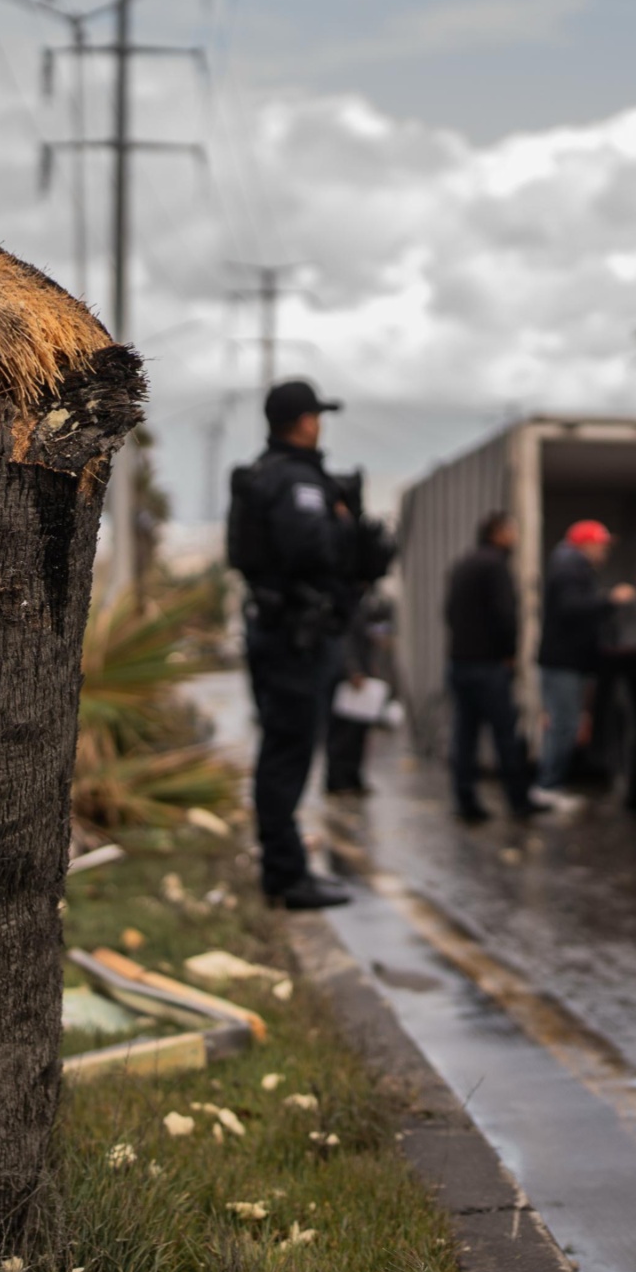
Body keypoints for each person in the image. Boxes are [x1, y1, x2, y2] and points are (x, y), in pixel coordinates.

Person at [230, 379, 357, 909]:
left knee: (284, 750)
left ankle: (286, 868)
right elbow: (310, 551)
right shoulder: (296, 479)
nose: (319, 424)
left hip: (279, 630)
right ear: (303, 421)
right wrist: (352, 535)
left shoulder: (265, 473)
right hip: (295, 638)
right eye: (316, 416)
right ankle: (286, 876)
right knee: (288, 753)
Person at [443, 511, 537, 823]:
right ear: (497, 533)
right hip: (488, 665)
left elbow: (448, 612)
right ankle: (519, 801)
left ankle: (466, 801)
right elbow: (506, 615)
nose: (516, 536)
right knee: (505, 735)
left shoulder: (463, 564)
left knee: (464, 735)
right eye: (512, 530)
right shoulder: (496, 565)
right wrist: (509, 653)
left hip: (459, 662)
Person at [536, 519, 636, 796]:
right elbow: (571, 609)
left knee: (564, 725)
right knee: (564, 726)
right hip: (563, 662)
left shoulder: (570, 566)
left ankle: (550, 785)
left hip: (566, 661)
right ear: (586, 544)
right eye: (601, 545)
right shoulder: (570, 568)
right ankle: (548, 787)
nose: (604, 551)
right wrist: (610, 600)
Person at [322, 586, 395, 797]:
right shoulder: (341, 601)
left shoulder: (365, 601)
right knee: (342, 733)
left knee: (358, 731)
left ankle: (352, 777)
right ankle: (337, 779)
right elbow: (342, 638)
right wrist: (352, 669)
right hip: (346, 679)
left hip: (360, 676)